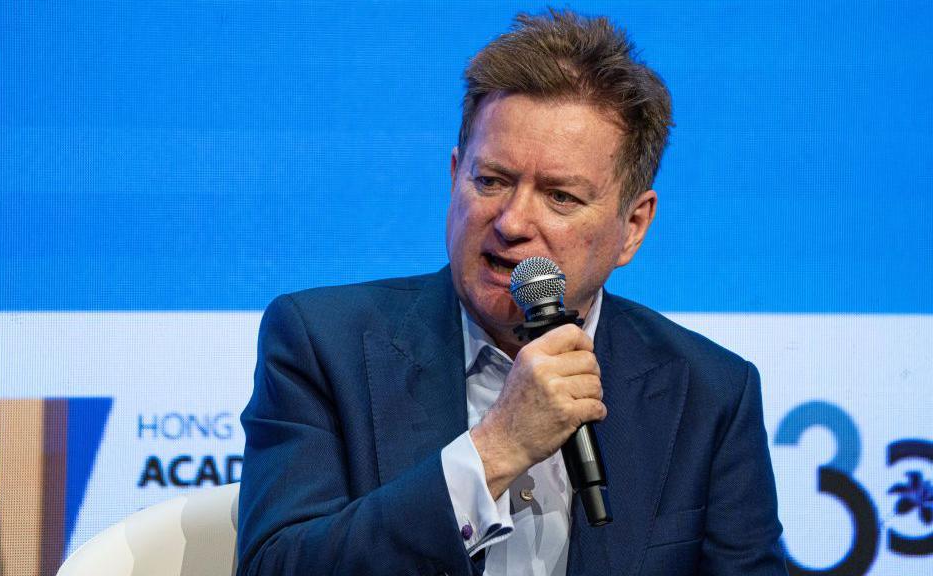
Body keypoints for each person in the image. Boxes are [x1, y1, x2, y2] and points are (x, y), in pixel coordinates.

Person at [237, 10, 787, 576]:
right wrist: (495, 449)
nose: (513, 221)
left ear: (633, 227)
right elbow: (275, 566)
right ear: (455, 176)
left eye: (561, 197)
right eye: (491, 181)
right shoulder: (322, 345)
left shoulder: (709, 392)